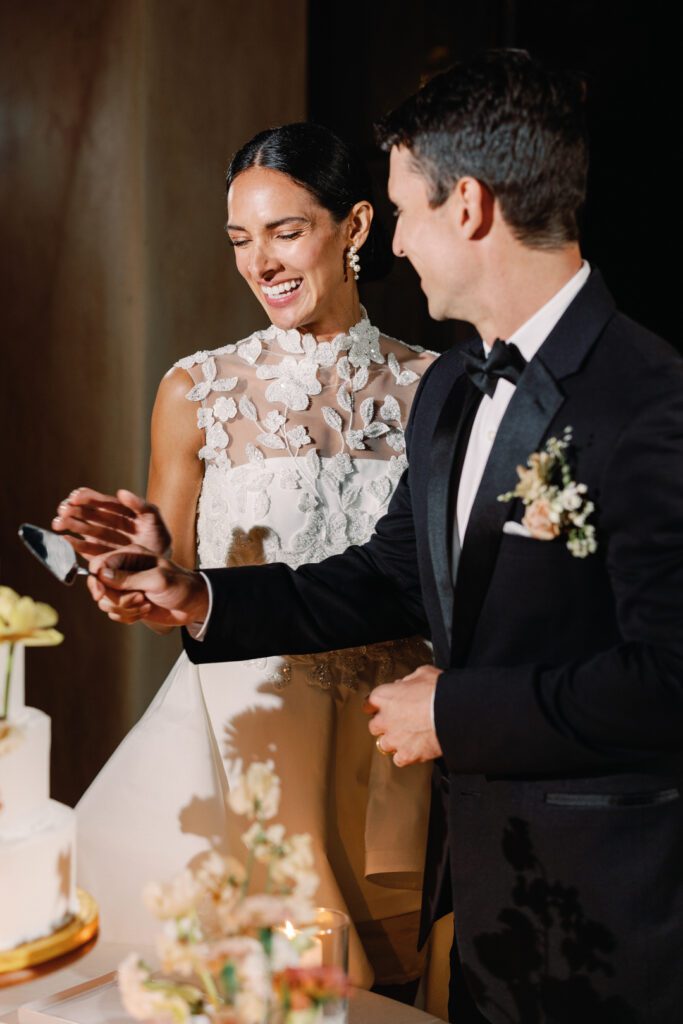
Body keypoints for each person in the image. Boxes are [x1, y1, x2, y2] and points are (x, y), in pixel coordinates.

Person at [57, 51, 683, 1024]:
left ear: (466, 206)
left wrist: (457, 712)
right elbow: (382, 578)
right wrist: (198, 594)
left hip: (609, 907)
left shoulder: (649, 400)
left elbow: (670, 676)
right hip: (479, 896)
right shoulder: (453, 390)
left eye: (400, 211)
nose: (391, 241)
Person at [56, 122, 438, 995]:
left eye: (284, 230)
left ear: (356, 227)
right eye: (239, 240)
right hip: (245, 757)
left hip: (391, 756)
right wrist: (138, 585)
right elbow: (174, 600)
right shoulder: (196, 393)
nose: (258, 261)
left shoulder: (435, 390)